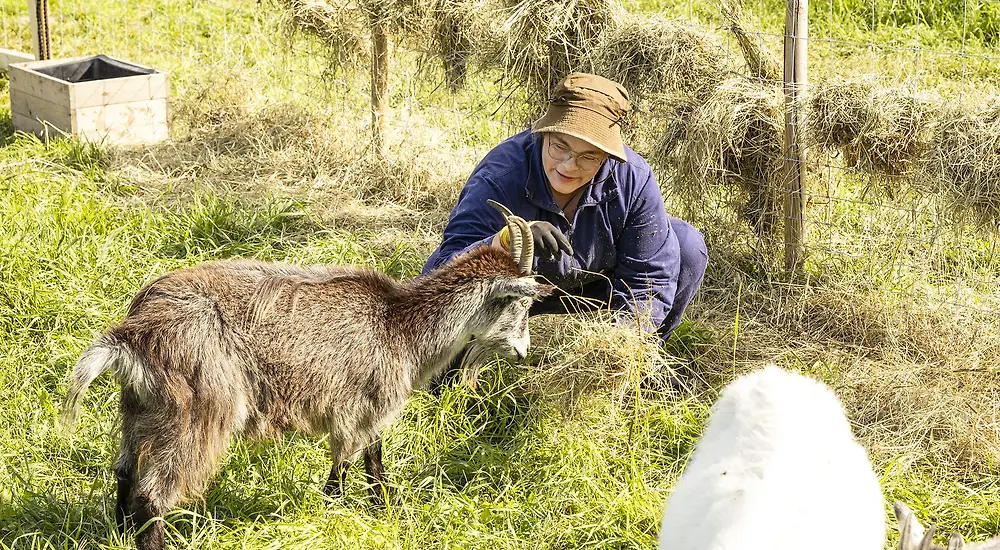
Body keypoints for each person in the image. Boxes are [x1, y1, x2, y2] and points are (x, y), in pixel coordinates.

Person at [422, 72, 708, 394]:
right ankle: (452, 377)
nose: (569, 166)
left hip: (596, 281)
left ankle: (641, 370)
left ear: (607, 156)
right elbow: (445, 269)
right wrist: (504, 243)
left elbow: (649, 278)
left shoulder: (633, 179)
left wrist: (622, 347)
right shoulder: (502, 174)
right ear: (546, 132)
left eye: (589, 157)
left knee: (686, 246)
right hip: (520, 289)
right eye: (560, 147)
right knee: (447, 376)